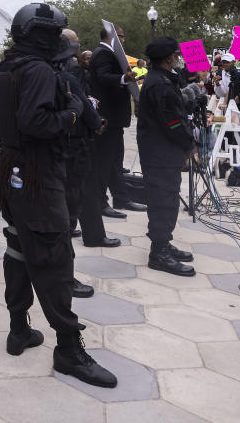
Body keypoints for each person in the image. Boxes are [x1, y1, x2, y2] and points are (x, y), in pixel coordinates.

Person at [0, 3, 116, 388]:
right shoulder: (39, 69)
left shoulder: (8, 67)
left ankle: (18, 329)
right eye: (55, 33)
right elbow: (37, 122)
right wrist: (73, 113)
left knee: (19, 247)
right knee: (55, 257)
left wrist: (14, 143)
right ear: (43, 35)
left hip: (14, 171)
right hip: (39, 176)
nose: (60, 40)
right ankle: (69, 350)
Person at [137, 38, 197, 276]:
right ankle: (159, 252)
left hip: (162, 150)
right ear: (166, 58)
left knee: (168, 198)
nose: (178, 57)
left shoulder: (162, 79)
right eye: (175, 54)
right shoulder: (159, 83)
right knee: (163, 200)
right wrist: (189, 145)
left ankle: (163, 242)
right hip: (160, 152)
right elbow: (172, 122)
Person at [59, 29, 103, 298]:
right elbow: (79, 105)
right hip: (72, 146)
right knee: (68, 207)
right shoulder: (66, 70)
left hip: (59, 147)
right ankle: (64, 276)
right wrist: (95, 121)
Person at [89, 26, 145, 227]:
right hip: (108, 116)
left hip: (115, 119)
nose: (124, 40)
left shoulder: (109, 53)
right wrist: (124, 78)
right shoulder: (103, 53)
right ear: (112, 37)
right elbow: (104, 78)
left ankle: (121, 197)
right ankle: (100, 202)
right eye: (121, 37)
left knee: (115, 161)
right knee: (104, 162)